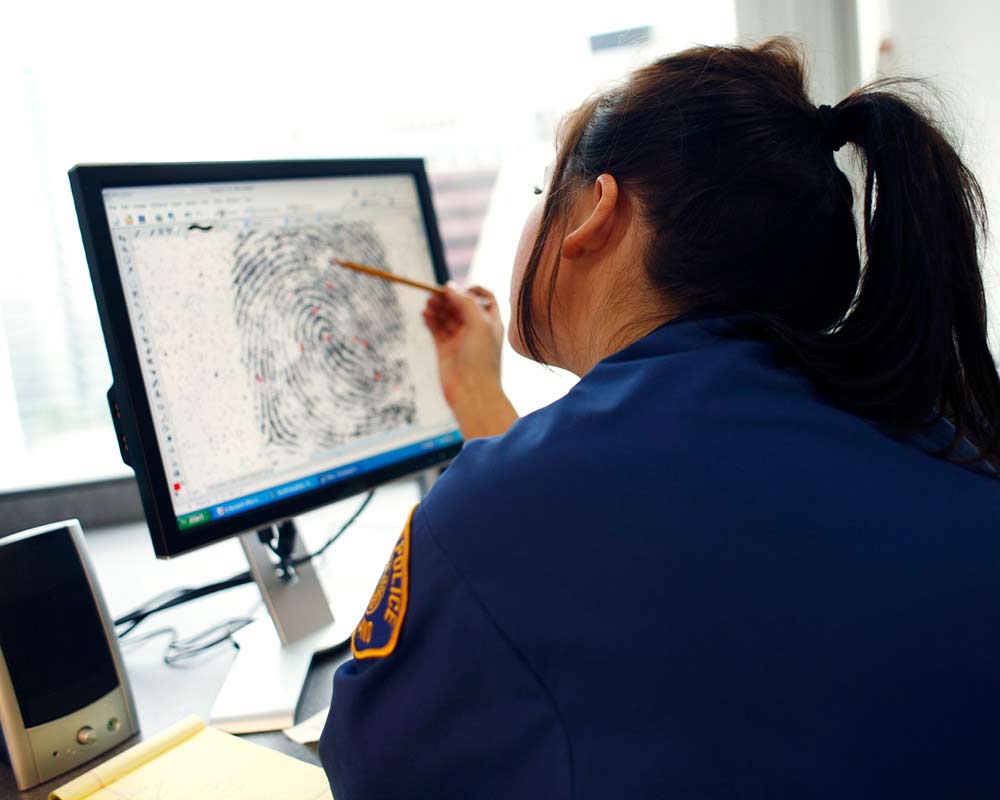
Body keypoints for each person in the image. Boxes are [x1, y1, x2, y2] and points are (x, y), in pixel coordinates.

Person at [319, 38, 1000, 798]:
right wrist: (479, 399)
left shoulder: (495, 518)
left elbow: (369, 768)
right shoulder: (940, 439)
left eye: (546, 189)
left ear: (597, 213)